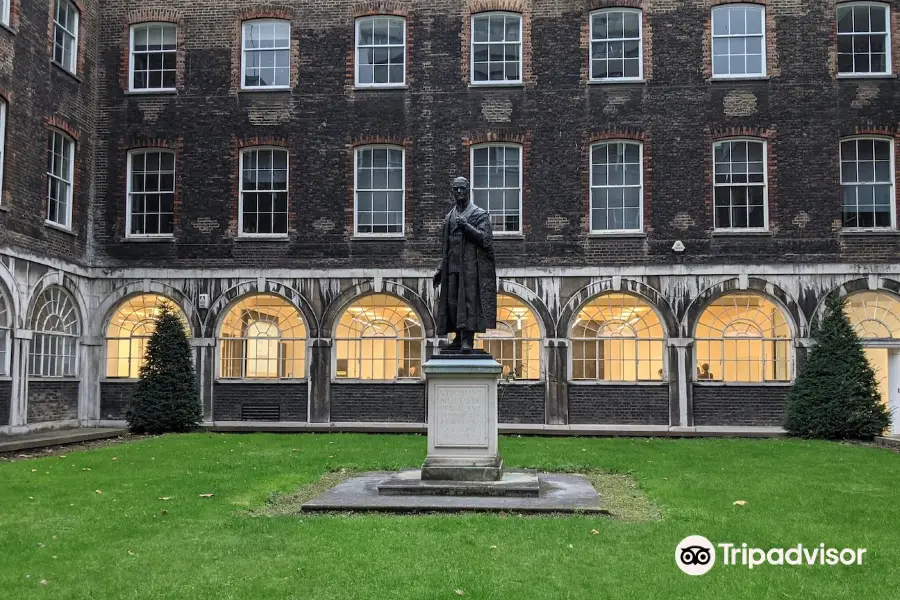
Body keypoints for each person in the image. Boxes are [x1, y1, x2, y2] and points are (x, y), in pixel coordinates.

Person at [433, 176, 497, 353]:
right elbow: (446, 247)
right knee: (452, 302)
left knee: (468, 303)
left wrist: (467, 227)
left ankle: (468, 339)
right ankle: (458, 337)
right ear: (452, 192)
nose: (459, 192)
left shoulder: (479, 214)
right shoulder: (449, 216)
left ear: (468, 190)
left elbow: (486, 240)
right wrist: (440, 268)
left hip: (470, 268)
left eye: (462, 188)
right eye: (456, 189)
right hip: (452, 267)